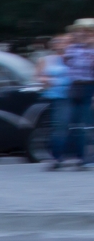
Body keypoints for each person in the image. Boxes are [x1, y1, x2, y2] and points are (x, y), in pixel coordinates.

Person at [40, 34, 74, 169]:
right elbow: (39, 77)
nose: (61, 44)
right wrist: (45, 80)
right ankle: (56, 157)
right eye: (58, 41)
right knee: (60, 127)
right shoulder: (46, 59)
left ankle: (78, 156)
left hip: (76, 94)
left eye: (65, 42)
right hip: (57, 96)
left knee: (78, 126)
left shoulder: (76, 58)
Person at [66, 22, 94, 169]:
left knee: (89, 123)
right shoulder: (72, 49)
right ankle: (79, 157)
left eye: (85, 32)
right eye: (78, 31)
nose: (81, 34)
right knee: (76, 123)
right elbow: (69, 65)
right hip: (76, 86)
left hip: (90, 86)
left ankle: (88, 157)